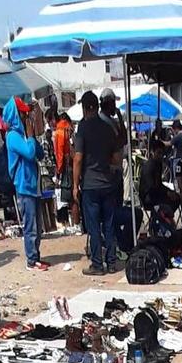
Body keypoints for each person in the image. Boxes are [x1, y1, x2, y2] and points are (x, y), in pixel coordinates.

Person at [74, 91, 121, 276]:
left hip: (90, 185)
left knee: (94, 227)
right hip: (108, 184)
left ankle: (97, 265)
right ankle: (111, 262)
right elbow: (117, 158)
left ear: (85, 108)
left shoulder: (83, 128)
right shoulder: (108, 128)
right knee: (109, 224)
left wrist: (75, 186)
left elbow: (78, 159)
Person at [3, 96, 48, 271]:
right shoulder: (13, 137)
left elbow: (40, 154)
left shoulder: (23, 135)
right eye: (23, 114)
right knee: (30, 226)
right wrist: (30, 137)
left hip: (33, 186)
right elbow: (29, 154)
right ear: (16, 115)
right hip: (24, 186)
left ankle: (36, 257)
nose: (26, 118)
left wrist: (32, 136)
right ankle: (31, 260)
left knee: (38, 225)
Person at [54, 112, 79, 228]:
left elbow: (59, 154)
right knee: (75, 196)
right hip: (75, 165)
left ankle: (76, 225)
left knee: (72, 198)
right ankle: (77, 224)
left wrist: (58, 172)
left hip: (68, 166)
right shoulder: (71, 130)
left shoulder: (60, 131)